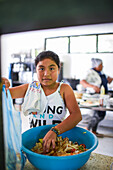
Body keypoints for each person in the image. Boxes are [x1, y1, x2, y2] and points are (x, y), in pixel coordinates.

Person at [2, 50, 82, 153]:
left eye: (52, 68)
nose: (46, 74)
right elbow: (4, 94)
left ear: (59, 69)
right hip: (34, 142)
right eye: (41, 68)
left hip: (57, 142)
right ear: (36, 70)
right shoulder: (30, 88)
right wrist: (2, 83)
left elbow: (76, 115)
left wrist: (55, 130)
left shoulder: (64, 89)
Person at [80, 58, 113, 137]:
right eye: (101, 65)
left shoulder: (100, 72)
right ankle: (87, 129)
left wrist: (109, 80)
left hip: (102, 96)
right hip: (94, 96)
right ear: (96, 65)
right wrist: (93, 86)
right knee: (97, 114)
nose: (102, 66)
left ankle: (93, 130)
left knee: (101, 114)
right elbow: (82, 82)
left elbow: (105, 81)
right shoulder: (90, 72)